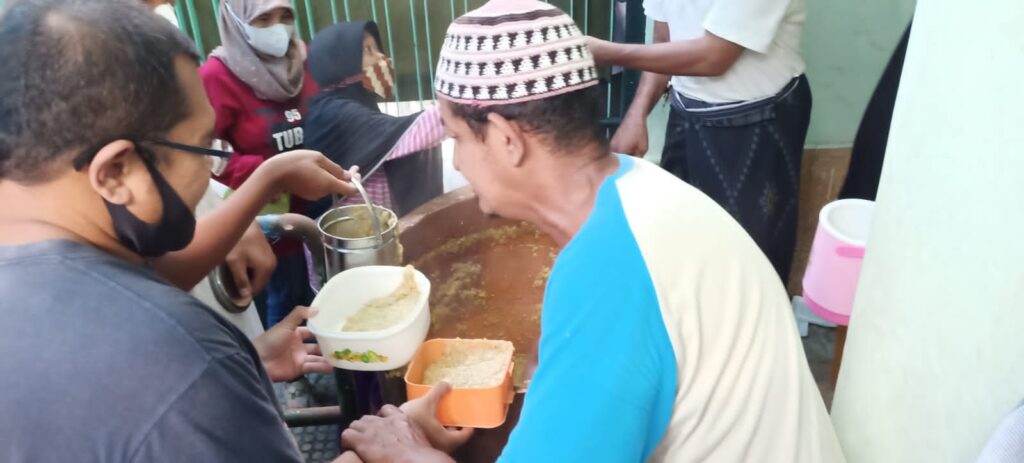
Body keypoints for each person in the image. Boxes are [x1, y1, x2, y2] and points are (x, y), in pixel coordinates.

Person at [341, 1, 844, 462]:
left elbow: (616, 312)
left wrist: (404, 452)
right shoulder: (640, 189)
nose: (457, 161)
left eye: (456, 138)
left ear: (505, 138)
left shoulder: (611, 274)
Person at [0, 1, 356, 460]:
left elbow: (133, 280)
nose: (212, 168)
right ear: (116, 173)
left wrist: (268, 177)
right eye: (206, 147)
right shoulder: (185, 366)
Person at [585, 0, 812, 283]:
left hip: (758, 118)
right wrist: (637, 114)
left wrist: (606, 53)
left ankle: (758, 324)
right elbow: (663, 40)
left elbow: (714, 57)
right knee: (686, 239)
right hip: (687, 113)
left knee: (751, 256)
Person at [200, 0, 318, 328]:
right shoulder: (216, 76)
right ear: (237, 22)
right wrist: (268, 173)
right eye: (263, 19)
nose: (278, 28)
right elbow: (206, 150)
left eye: (284, 16)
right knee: (281, 298)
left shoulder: (305, 60)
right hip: (262, 217)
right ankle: (290, 377)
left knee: (318, 293)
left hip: (315, 210)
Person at [305, 20, 444, 218]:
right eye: (368, 50)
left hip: (371, 227)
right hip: (347, 237)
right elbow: (410, 135)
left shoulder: (354, 100)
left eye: (377, 48)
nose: (381, 56)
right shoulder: (335, 111)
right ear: (343, 60)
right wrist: (456, 106)